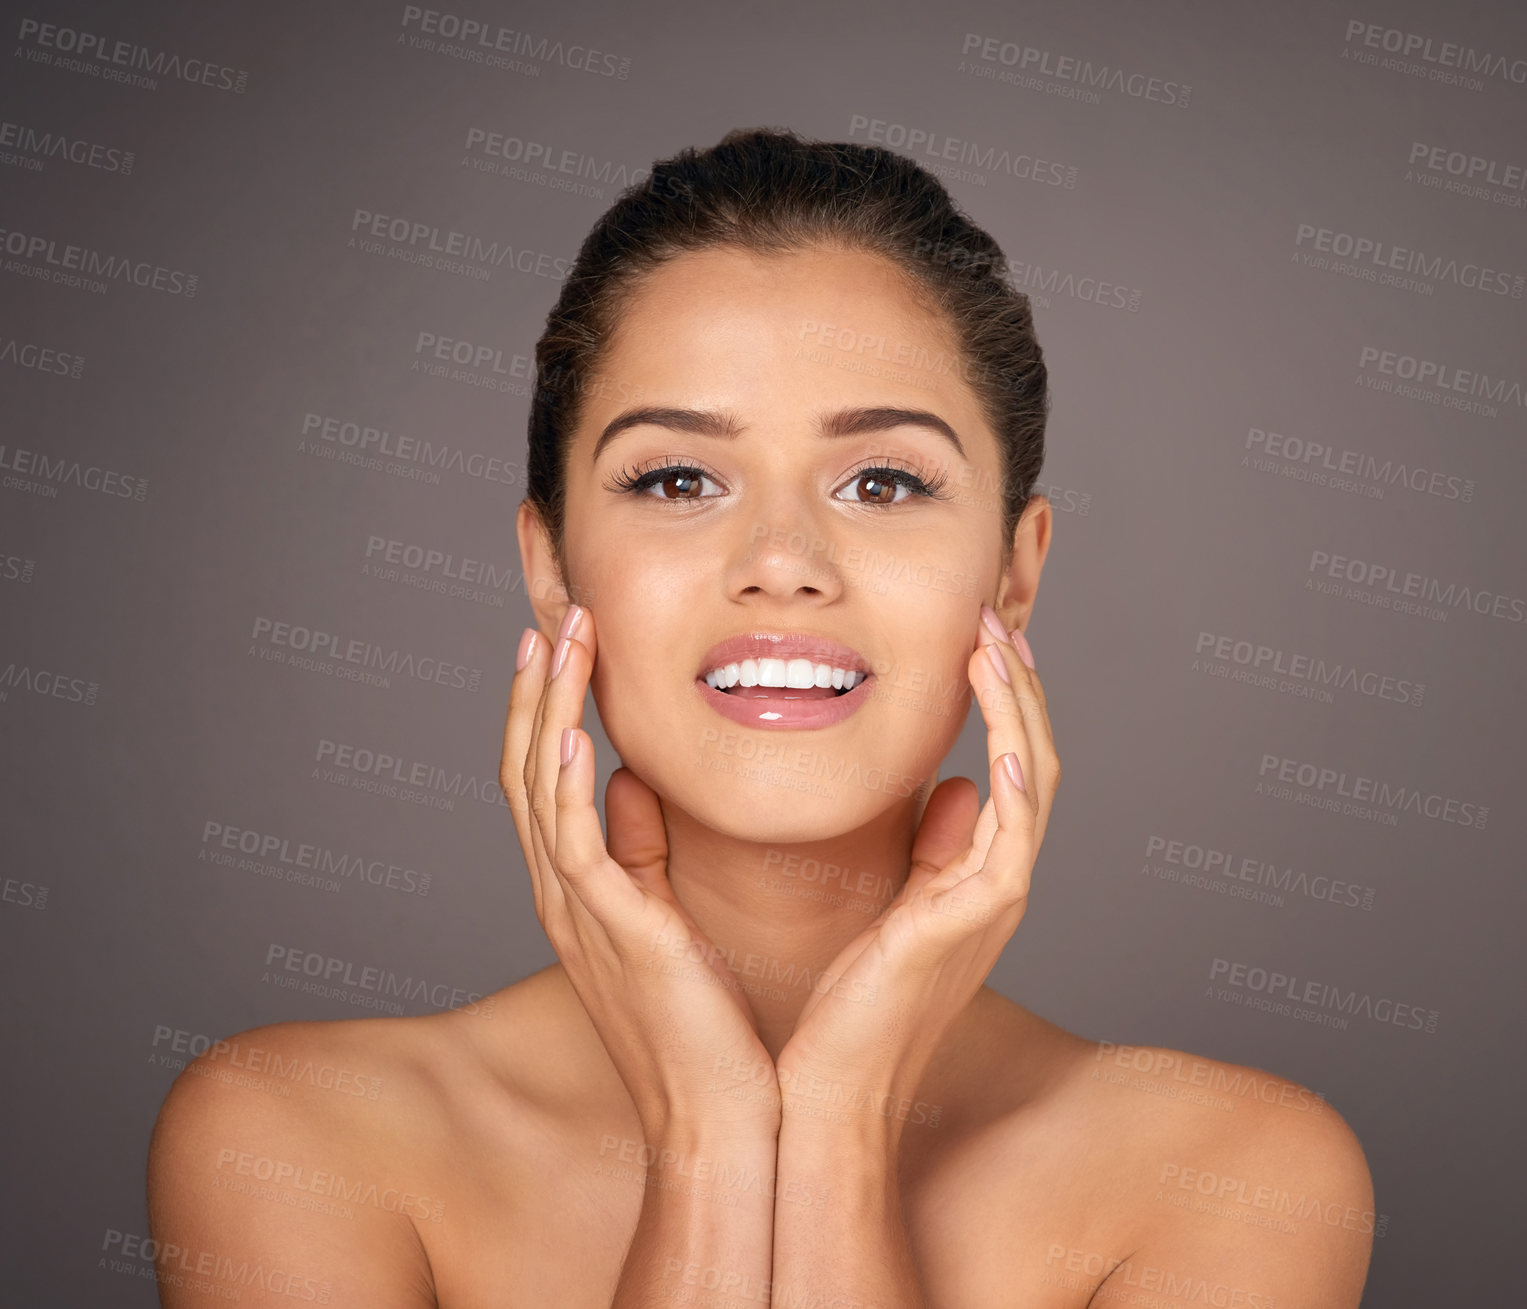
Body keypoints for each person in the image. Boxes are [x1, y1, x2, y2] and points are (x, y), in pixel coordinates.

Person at [147, 126, 1374, 1307]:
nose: (782, 559)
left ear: (1013, 570)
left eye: (883, 481)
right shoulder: (296, 1138)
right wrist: (712, 1124)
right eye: (677, 479)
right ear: (552, 566)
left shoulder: (1237, 1179)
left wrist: (835, 1121)